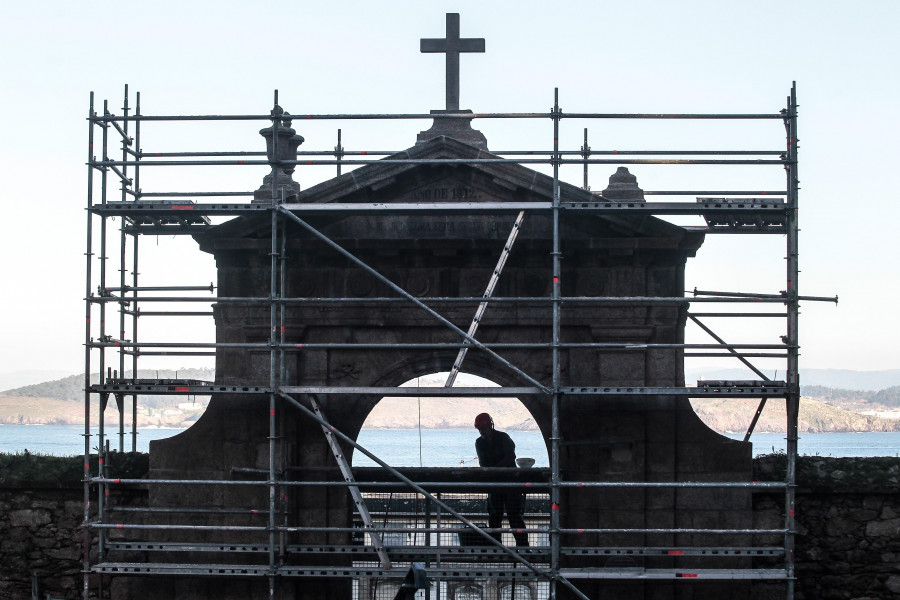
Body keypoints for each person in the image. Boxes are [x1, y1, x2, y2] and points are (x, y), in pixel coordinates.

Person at [474, 412, 529, 546]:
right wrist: (494, 471)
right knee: (496, 516)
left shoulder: (502, 438)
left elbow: (510, 456)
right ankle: (498, 546)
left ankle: (522, 547)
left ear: (490, 426)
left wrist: (493, 470)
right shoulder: (482, 442)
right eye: (480, 429)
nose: (482, 431)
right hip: (499, 483)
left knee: (513, 516)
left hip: (507, 482)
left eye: (483, 428)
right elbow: (485, 462)